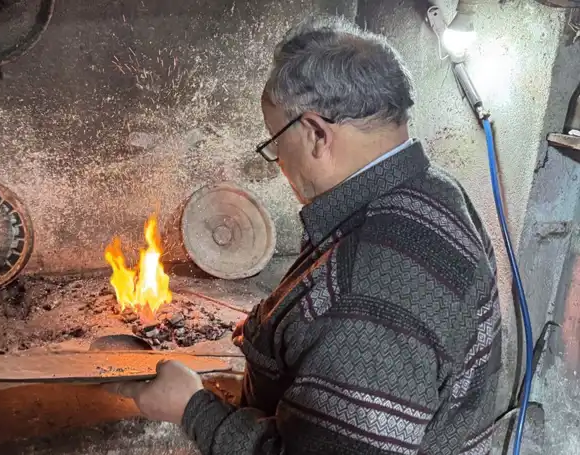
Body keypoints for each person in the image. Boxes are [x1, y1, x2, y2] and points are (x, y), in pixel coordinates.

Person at [105, 14, 502, 455]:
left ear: (315, 133)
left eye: (275, 140)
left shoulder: (367, 288)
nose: (277, 160)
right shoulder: (435, 191)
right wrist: (282, 327)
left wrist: (190, 407)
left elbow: (362, 320)